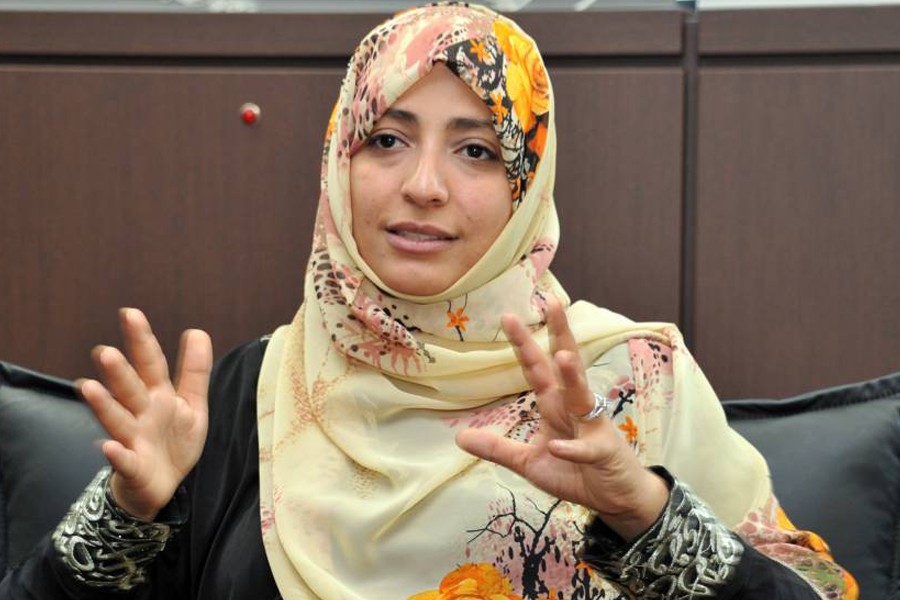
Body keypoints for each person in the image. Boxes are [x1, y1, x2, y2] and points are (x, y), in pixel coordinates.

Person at [2, 3, 857, 598]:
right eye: (387, 139)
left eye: (477, 150)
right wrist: (128, 516)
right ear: (339, 162)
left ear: (528, 188)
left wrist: (645, 511)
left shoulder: (629, 381)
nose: (423, 186)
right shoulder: (251, 394)